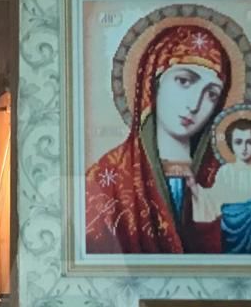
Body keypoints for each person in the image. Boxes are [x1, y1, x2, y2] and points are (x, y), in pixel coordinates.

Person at [85, 23, 231, 254]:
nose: (195, 105)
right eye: (184, 81)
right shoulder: (107, 177)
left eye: (211, 94)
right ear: (153, 82)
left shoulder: (223, 178)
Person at [189, 118, 251, 253]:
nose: (244, 148)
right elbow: (212, 201)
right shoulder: (225, 172)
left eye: (249, 142)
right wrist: (194, 187)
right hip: (229, 233)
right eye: (238, 142)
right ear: (231, 144)